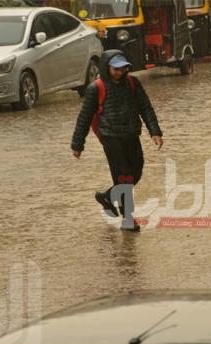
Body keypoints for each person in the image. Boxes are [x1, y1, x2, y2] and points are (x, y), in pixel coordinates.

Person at [71, 50, 163, 232]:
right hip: (111, 138)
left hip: (131, 135)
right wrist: (77, 144)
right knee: (124, 178)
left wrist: (155, 132)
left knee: (136, 173)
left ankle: (107, 197)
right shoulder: (95, 88)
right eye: (116, 69)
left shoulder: (132, 83)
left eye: (123, 68)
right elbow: (84, 118)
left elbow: (145, 107)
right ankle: (128, 219)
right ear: (107, 68)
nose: (120, 72)